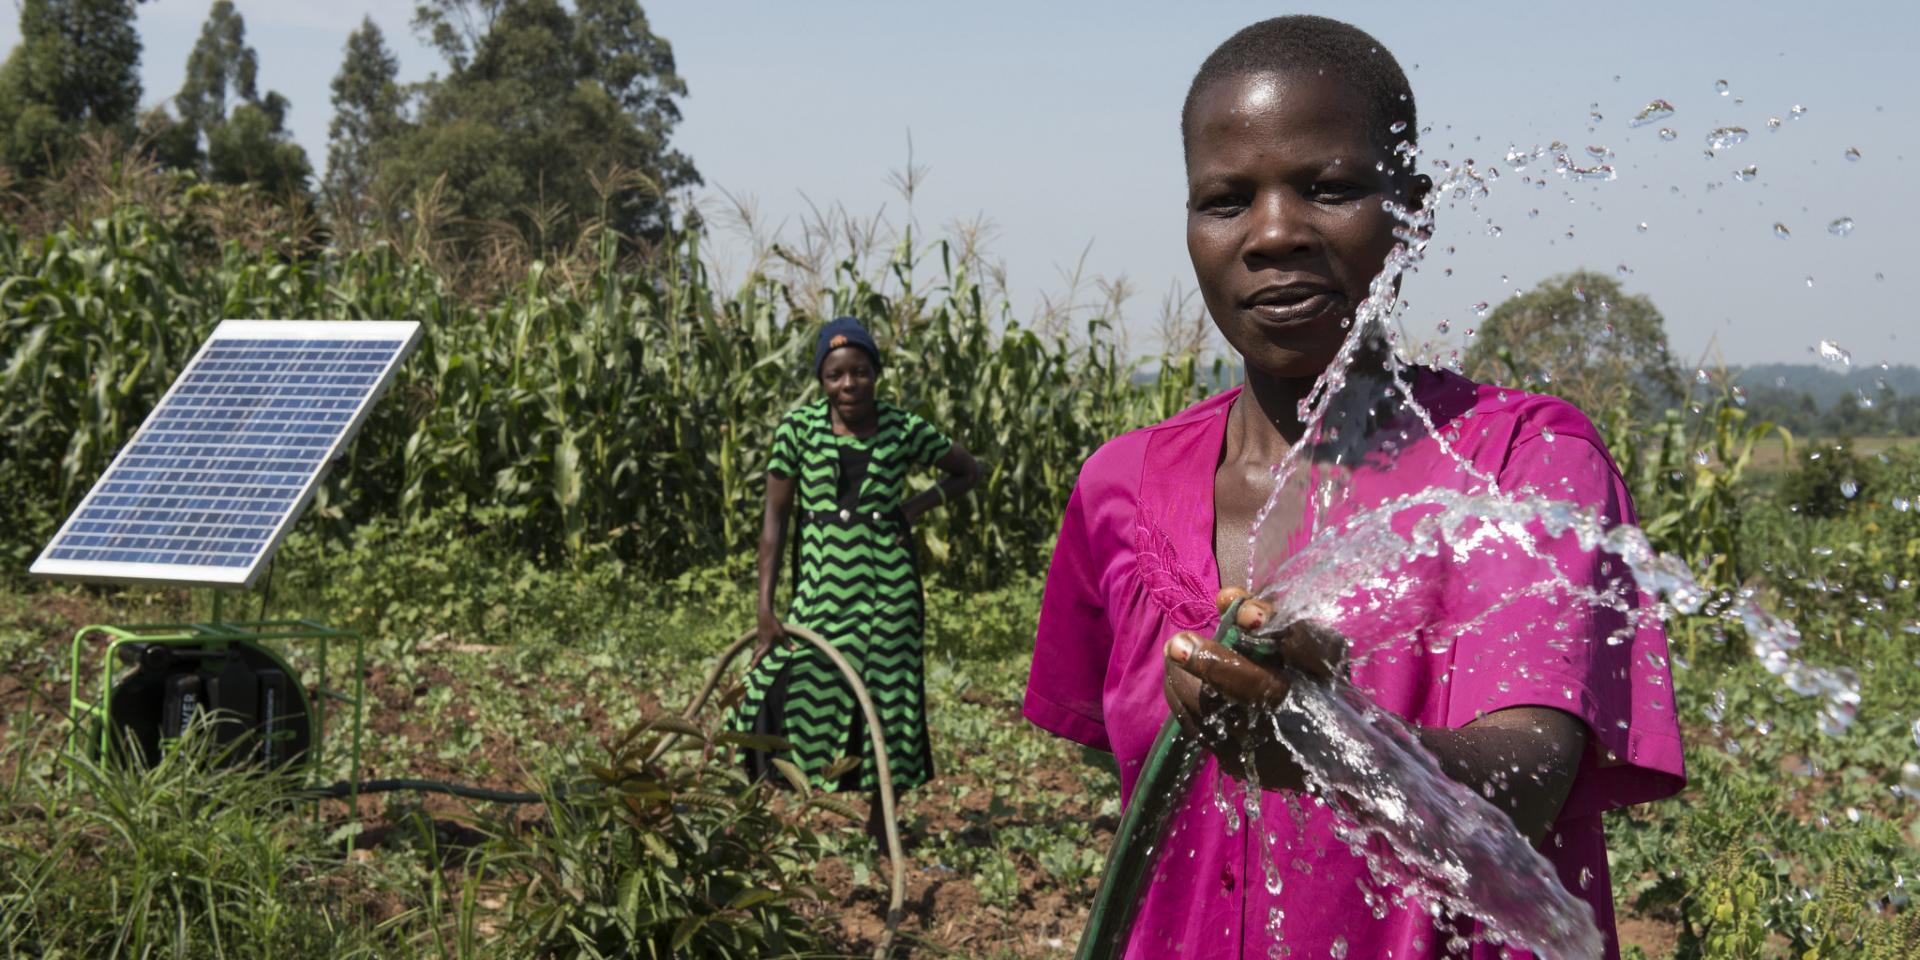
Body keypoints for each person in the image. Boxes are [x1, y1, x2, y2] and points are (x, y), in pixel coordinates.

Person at [1024, 16, 1685, 959]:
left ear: (1409, 208)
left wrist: (1330, 734)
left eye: (1327, 189)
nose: (1275, 233)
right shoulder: (1119, 488)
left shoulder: (1514, 468)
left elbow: (1533, 775)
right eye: (1224, 200)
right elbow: (1131, 770)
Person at [734, 316, 980, 839]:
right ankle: (765, 805)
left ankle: (878, 818)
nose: (849, 385)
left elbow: (968, 470)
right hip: (821, 588)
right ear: (822, 380)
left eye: (860, 372)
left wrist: (915, 507)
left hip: (889, 590)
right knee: (772, 681)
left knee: (888, 697)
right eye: (836, 375)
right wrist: (764, 609)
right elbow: (773, 525)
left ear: (876, 372)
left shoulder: (902, 427)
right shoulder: (797, 431)